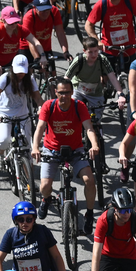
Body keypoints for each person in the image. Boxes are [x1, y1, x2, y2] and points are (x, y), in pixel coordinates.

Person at [33, 75, 104, 220]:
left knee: (89, 181)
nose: (64, 96)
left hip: (76, 150)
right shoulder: (49, 106)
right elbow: (40, 128)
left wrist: (95, 145)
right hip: (51, 150)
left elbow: (89, 128)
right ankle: (46, 200)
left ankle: (89, 214)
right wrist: (35, 147)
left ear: (72, 92)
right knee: (44, 187)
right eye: (61, 92)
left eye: (67, 92)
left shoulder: (79, 106)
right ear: (55, 92)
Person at [0, 54, 38, 176]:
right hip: (4, 114)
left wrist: (43, 109)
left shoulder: (29, 79)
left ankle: (28, 182)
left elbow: (37, 97)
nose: (20, 74)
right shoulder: (5, 78)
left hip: (23, 116)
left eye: (23, 72)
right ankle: (0, 155)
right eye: (18, 71)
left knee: (27, 148)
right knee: (4, 140)